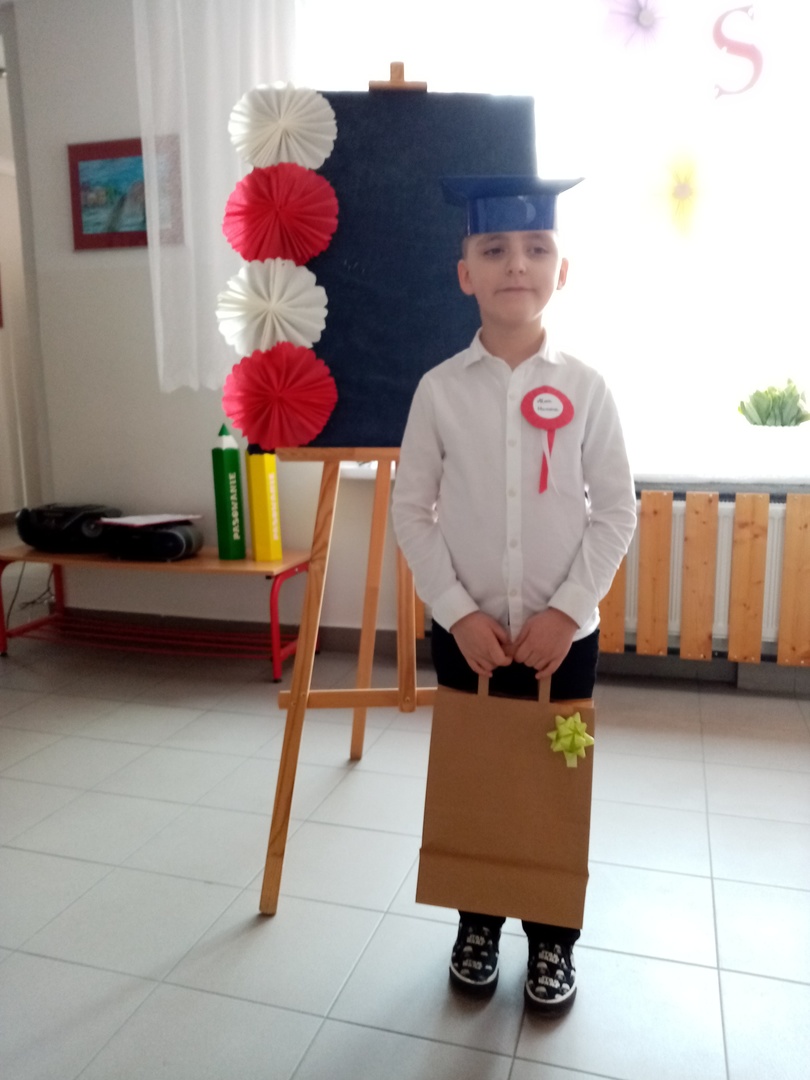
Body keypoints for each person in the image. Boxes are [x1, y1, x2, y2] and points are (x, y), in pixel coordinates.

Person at [392, 175, 637, 1014]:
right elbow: (411, 510)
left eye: (536, 249)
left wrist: (568, 611)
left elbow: (617, 509)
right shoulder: (439, 390)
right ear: (466, 273)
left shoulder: (587, 389)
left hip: (563, 642)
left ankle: (553, 938)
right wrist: (456, 612)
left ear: (562, 272)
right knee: (480, 778)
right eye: (493, 250)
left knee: (549, 781)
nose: (516, 265)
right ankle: (478, 923)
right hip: (468, 637)